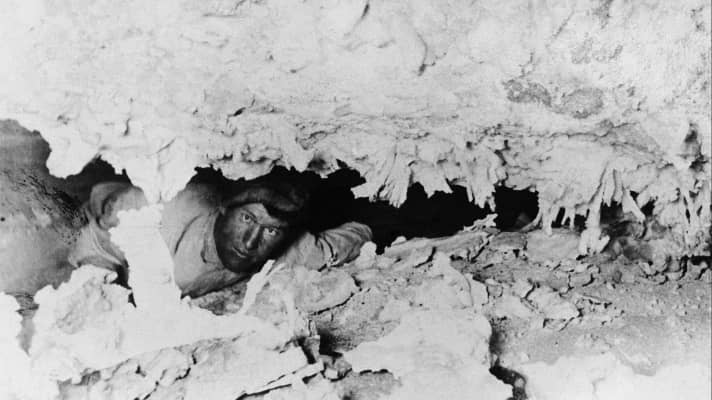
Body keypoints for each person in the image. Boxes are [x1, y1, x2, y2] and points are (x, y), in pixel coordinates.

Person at [68, 173, 373, 297]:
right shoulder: (165, 208)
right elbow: (93, 238)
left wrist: (374, 225)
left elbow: (345, 241)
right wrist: (100, 277)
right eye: (247, 218)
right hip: (92, 211)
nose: (250, 242)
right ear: (225, 207)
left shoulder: (287, 250)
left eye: (270, 230)